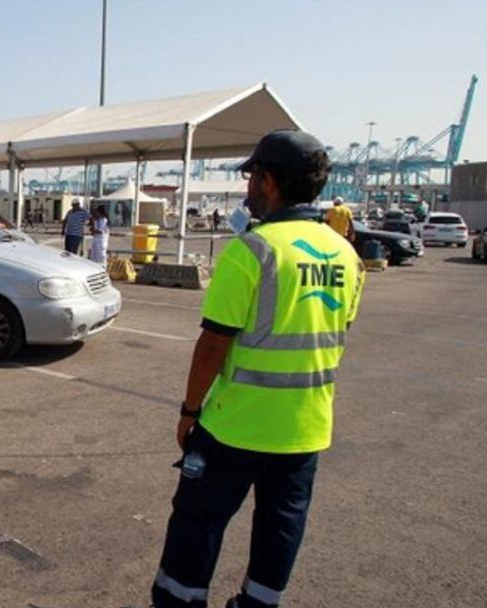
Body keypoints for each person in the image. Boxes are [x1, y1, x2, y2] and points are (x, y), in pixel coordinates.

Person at [149, 130, 365, 608]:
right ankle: (259, 603)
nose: (248, 188)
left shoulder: (253, 251)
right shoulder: (346, 255)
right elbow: (338, 326)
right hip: (305, 426)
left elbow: (213, 345)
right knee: (282, 525)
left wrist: (189, 412)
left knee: (197, 521)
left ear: (268, 182)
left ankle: (179, 601)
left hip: (236, 426)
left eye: (251, 177)